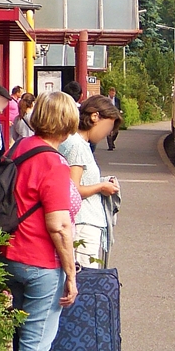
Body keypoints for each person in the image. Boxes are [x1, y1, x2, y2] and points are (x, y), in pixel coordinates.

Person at [1, 91, 82, 351]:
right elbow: (59, 225)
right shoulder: (54, 163)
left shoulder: (19, 149)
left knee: (29, 335)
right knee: (37, 340)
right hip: (39, 260)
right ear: (68, 123)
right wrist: (72, 273)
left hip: (10, 254)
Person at [59, 95, 121, 270]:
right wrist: (102, 186)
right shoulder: (77, 145)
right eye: (108, 126)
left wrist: (101, 182)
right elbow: (73, 189)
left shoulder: (79, 144)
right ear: (95, 117)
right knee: (85, 278)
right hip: (83, 223)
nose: (108, 132)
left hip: (85, 221)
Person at [104, 86, 123, 150]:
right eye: (111, 93)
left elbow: (119, 108)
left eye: (113, 93)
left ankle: (112, 141)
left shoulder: (117, 100)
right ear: (109, 93)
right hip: (108, 117)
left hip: (115, 117)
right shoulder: (105, 100)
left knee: (116, 132)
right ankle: (110, 146)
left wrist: (120, 111)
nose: (112, 94)